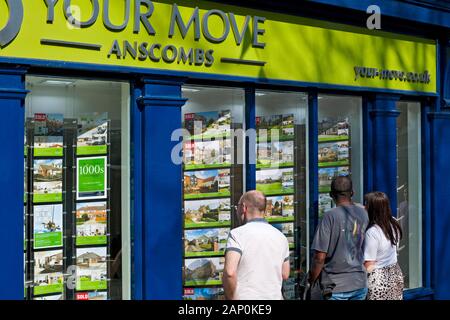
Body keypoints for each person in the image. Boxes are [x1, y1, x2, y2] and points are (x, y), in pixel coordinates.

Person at [309, 176, 369, 300]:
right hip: (359, 282)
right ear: (352, 193)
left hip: (335, 286)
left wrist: (311, 280)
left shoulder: (329, 216)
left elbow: (319, 257)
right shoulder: (364, 213)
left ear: (331, 194)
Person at [222, 190, 290, 300]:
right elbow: (285, 273)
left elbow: (230, 272)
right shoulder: (281, 237)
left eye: (237, 207)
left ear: (243, 207)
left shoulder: (237, 234)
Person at [363, 192, 404, 300]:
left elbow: (369, 265)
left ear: (373, 209)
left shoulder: (372, 232)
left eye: (366, 204)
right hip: (395, 273)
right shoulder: (394, 223)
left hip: (379, 280)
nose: (364, 207)